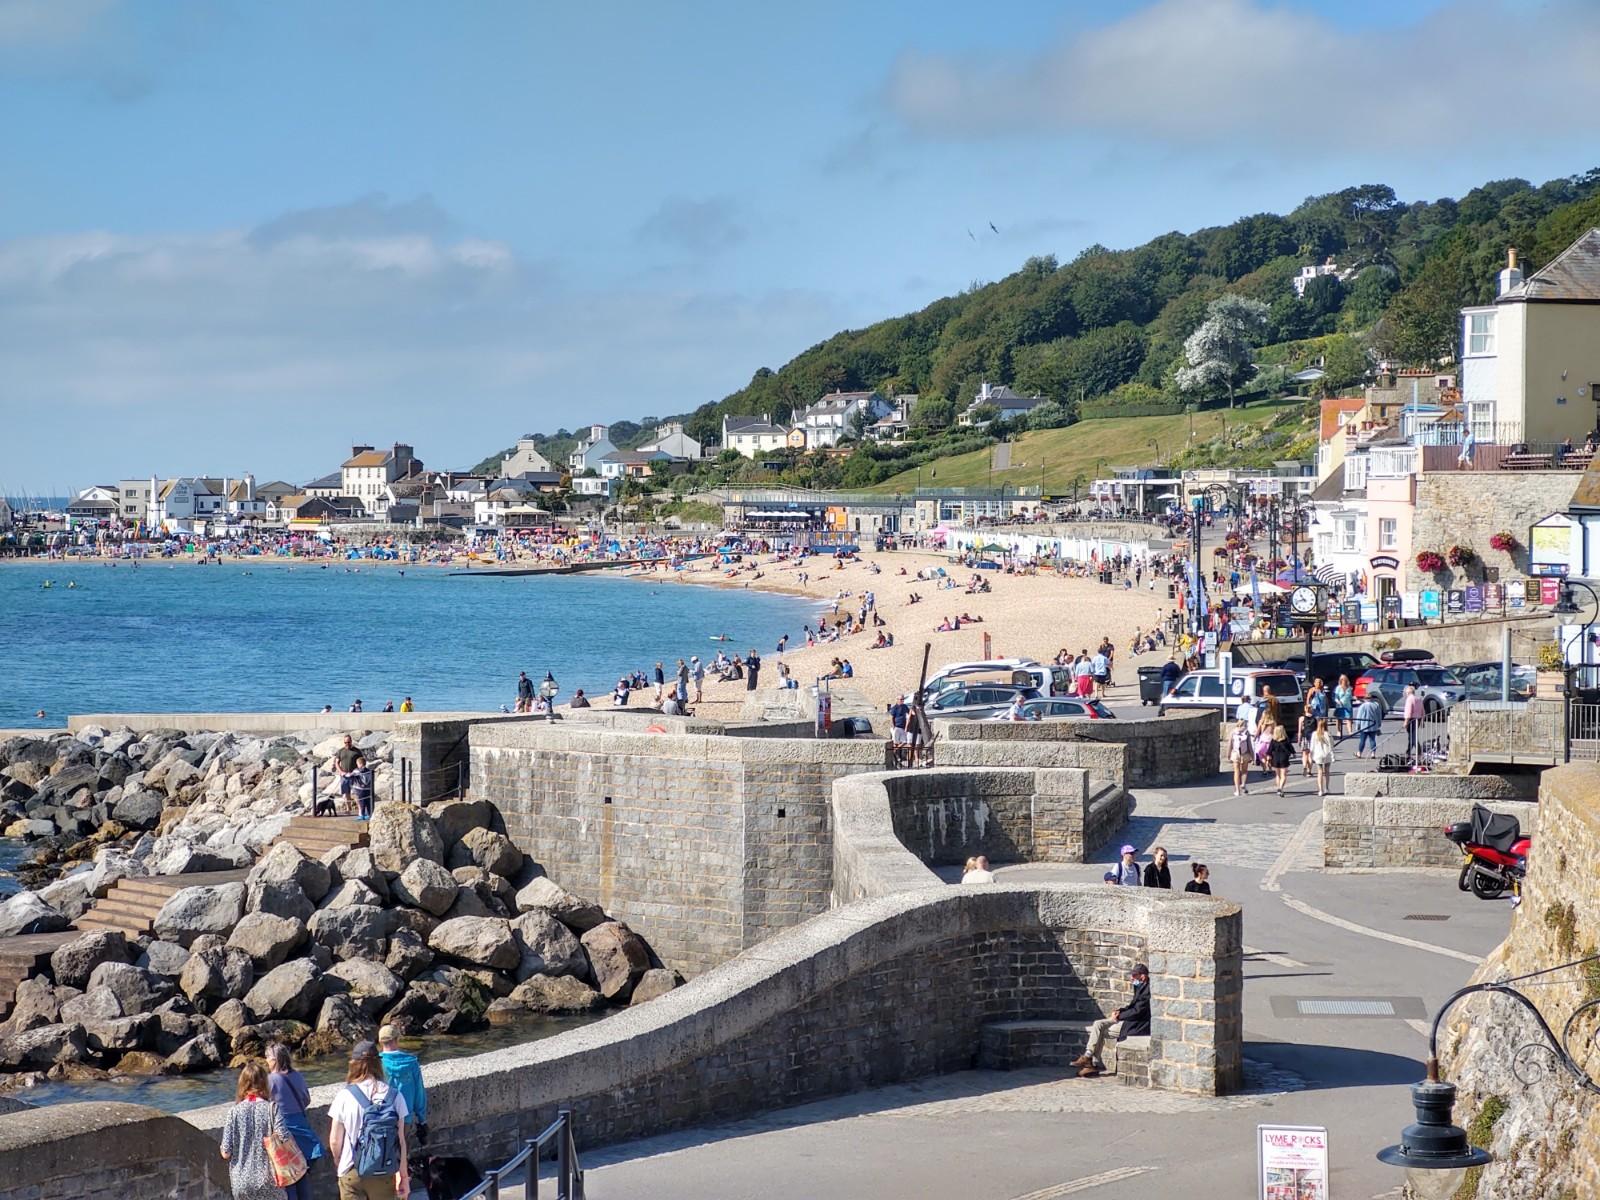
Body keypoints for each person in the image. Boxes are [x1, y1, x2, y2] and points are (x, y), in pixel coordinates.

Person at [328, 1040, 410, 1200]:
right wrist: (404, 1177)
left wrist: (339, 1162)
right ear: (378, 1064)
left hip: (352, 1170)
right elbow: (400, 1142)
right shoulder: (395, 1096)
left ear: (354, 1064)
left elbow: (334, 1141)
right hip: (384, 1171)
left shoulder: (344, 1096)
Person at [219, 1058, 293, 1200]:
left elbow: (226, 1153)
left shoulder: (233, 1112)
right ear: (264, 1083)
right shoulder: (272, 1108)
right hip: (269, 1179)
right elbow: (284, 1137)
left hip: (241, 1182)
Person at [1073, 963, 1151, 1079]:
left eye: (1134, 975)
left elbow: (1138, 1011)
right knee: (1098, 1024)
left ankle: (1091, 1062)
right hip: (1128, 1018)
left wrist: (1119, 1017)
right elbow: (1132, 1006)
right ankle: (1089, 1059)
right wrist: (1119, 1011)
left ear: (1143, 976)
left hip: (1136, 1023)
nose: (1132, 978)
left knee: (1100, 1031)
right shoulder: (1139, 986)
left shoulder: (1147, 990)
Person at [267, 1044, 323, 1200]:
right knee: (302, 1173)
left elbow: (264, 1105)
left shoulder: (271, 1080)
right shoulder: (297, 1075)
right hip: (302, 1128)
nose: (266, 1061)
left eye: (267, 1057)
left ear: (274, 1059)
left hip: (284, 1132)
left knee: (288, 1177)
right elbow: (306, 1099)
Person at [378, 1025, 426, 1149]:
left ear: (380, 1041)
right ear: (397, 1039)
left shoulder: (377, 1062)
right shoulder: (411, 1062)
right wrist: (422, 1119)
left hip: (382, 1115)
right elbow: (419, 1093)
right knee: (402, 1149)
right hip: (405, 1115)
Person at [330, 736, 365, 816]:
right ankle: (348, 809)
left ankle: (360, 810)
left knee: (356, 793)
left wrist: (357, 771)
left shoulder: (357, 751)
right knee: (346, 793)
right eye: (345, 742)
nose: (347, 744)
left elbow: (361, 762)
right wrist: (341, 771)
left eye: (348, 742)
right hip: (344, 775)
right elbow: (337, 762)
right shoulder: (341, 751)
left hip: (354, 775)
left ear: (351, 741)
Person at [1310, 719, 1335, 797]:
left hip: (1318, 755)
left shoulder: (1314, 734)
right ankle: (1327, 788)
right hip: (1327, 754)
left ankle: (1320, 790)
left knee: (1319, 772)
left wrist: (1311, 755)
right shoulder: (1328, 734)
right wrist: (1333, 755)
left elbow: (1312, 746)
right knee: (1327, 771)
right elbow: (1332, 745)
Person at [1229, 718, 1254, 796]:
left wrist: (1228, 754)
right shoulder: (1246, 732)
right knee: (1244, 771)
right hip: (1245, 754)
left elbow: (1230, 745)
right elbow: (1249, 745)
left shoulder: (1233, 732)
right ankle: (1243, 784)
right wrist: (1253, 756)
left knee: (1236, 772)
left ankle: (1237, 790)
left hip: (1235, 753)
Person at [1355, 691, 1383, 758]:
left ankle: (1359, 753)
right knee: (1372, 740)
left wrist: (1357, 726)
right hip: (1373, 726)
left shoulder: (1362, 706)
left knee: (1362, 740)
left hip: (1364, 726)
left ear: (1365, 699)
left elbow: (1359, 717)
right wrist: (1379, 724)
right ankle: (1373, 753)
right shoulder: (1376, 705)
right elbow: (1379, 715)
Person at [1268, 723, 1292, 796]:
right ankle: (1281, 788)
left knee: (1277, 775)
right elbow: (1290, 748)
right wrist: (1292, 753)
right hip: (1284, 758)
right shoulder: (1286, 740)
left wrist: (1269, 756)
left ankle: (1278, 788)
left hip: (1275, 758)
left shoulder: (1273, 740)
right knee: (1283, 775)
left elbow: (1269, 750)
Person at [1402, 684, 1424, 759]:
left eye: (1406, 693)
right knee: (1411, 737)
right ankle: (1408, 752)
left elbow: (1408, 711)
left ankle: (1419, 752)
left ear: (1408, 693)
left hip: (1411, 719)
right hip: (1418, 719)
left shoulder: (1409, 699)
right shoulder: (1419, 699)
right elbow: (1422, 710)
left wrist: (1406, 721)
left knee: (1413, 737)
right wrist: (1422, 721)